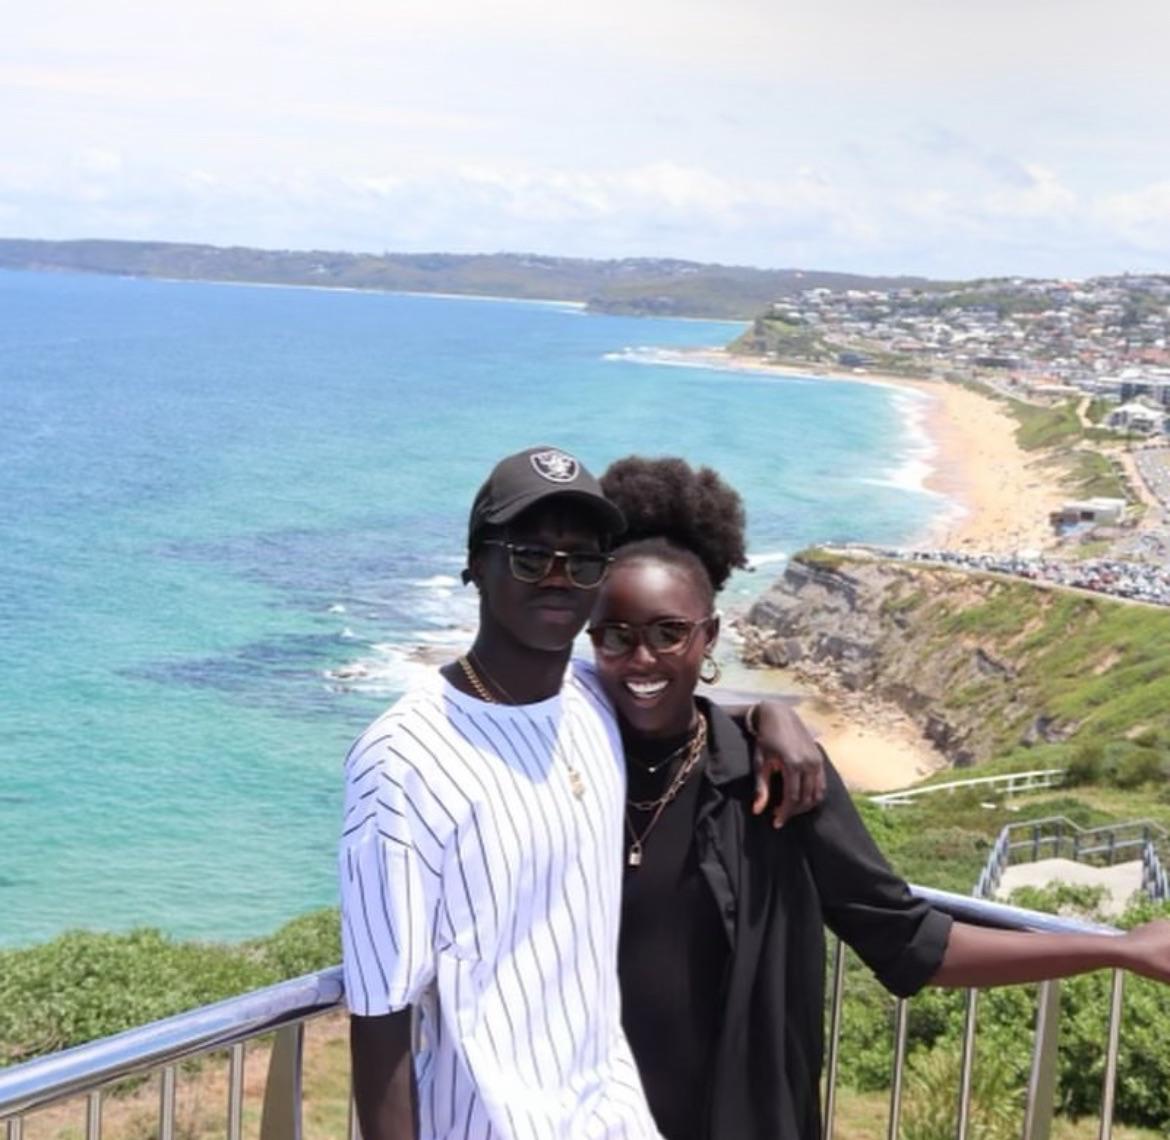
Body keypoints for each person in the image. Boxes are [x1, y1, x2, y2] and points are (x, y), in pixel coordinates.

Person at [587, 454, 1170, 1140]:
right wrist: (761, 708)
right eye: (616, 636)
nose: (641, 659)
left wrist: (1118, 949)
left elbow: (908, 941)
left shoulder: (777, 779)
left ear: (709, 636)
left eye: (668, 633)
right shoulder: (569, 757)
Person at [338, 445, 822, 1140]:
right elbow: (380, 1015)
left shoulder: (589, 699)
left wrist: (770, 716)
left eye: (585, 560)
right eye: (531, 556)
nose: (558, 578)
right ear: (476, 563)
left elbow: (671, 702)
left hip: (613, 1118)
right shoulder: (403, 758)